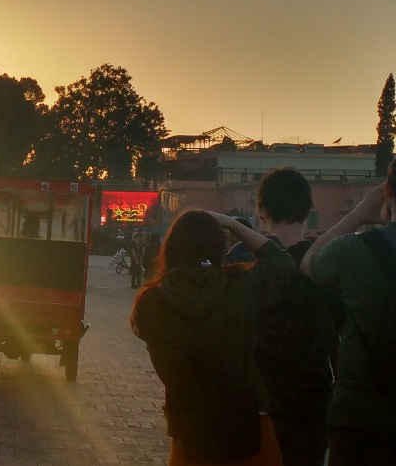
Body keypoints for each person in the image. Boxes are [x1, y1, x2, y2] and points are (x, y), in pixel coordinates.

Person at [130, 210, 293, 465]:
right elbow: (282, 262)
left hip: (188, 430)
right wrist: (232, 224)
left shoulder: (152, 302)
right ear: (220, 248)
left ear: (170, 248)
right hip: (247, 426)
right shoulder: (240, 288)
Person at [225, 169, 340, 466]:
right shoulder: (326, 260)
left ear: (261, 210)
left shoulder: (241, 257)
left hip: (256, 399)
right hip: (312, 400)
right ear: (308, 210)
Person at [300, 174, 396, 465]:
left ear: (387, 190)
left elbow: (309, 262)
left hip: (361, 415)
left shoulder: (353, 250)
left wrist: (357, 215)